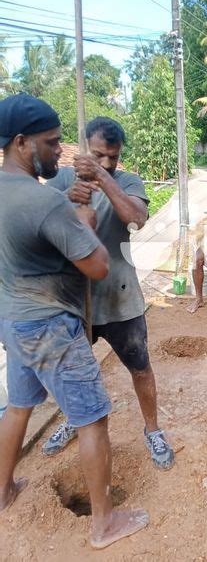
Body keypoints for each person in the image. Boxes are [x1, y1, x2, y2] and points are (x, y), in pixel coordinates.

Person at [0, 94, 148, 548]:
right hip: (51, 324)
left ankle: (3, 491)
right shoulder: (48, 198)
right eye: (51, 142)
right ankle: (104, 524)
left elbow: (137, 217)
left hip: (17, 319)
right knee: (94, 419)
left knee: (19, 405)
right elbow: (97, 265)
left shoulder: (13, 188)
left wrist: (95, 185)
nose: (57, 150)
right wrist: (78, 218)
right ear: (22, 143)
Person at [43, 117, 174, 470]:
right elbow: (36, 228)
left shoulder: (127, 181)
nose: (106, 163)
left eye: (112, 158)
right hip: (71, 299)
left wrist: (102, 177)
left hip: (119, 297)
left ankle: (153, 430)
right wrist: (64, 201)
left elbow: (135, 218)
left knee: (140, 367)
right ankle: (74, 419)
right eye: (99, 155)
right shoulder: (60, 182)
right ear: (83, 146)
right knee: (72, 372)